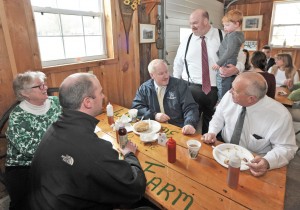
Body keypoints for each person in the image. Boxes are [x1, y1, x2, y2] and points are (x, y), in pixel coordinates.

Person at [29, 73, 146, 209]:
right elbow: (135, 188)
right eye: (101, 92)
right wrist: (129, 155)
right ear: (87, 102)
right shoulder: (93, 149)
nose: (103, 97)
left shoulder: (53, 130)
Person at [202, 72, 298, 177]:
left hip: (254, 162)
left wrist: (267, 161)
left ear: (251, 98)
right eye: (232, 87)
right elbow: (218, 117)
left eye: (235, 90)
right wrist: (212, 132)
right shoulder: (229, 96)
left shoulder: (280, 115)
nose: (230, 91)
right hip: (223, 151)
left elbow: (286, 148)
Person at [173, 8, 244, 134]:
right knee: (189, 125)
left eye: (195, 23)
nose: (192, 27)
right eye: (190, 23)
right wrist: (176, 87)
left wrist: (236, 68)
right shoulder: (186, 41)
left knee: (212, 128)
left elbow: (241, 57)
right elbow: (178, 64)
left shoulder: (224, 35)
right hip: (191, 90)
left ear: (205, 21)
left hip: (216, 91)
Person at [5, 71, 61, 210]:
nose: (45, 88)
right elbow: (30, 150)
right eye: (39, 86)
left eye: (44, 84)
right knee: (23, 204)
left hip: (55, 157)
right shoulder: (18, 116)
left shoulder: (56, 102)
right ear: (25, 93)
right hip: (23, 165)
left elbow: (70, 124)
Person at [132, 59, 199, 135]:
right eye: (161, 73)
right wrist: (154, 115)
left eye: (167, 72)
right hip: (154, 129)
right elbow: (137, 107)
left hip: (178, 128)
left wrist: (189, 123)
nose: (166, 76)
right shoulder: (144, 88)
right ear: (152, 75)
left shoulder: (180, 85)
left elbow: (190, 107)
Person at [212, 9, 245, 100]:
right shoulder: (232, 34)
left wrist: (219, 63)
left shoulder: (233, 36)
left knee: (223, 84)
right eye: (224, 25)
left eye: (227, 25)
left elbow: (230, 52)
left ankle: (222, 101)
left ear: (237, 24)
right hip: (225, 61)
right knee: (224, 83)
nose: (225, 28)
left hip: (226, 63)